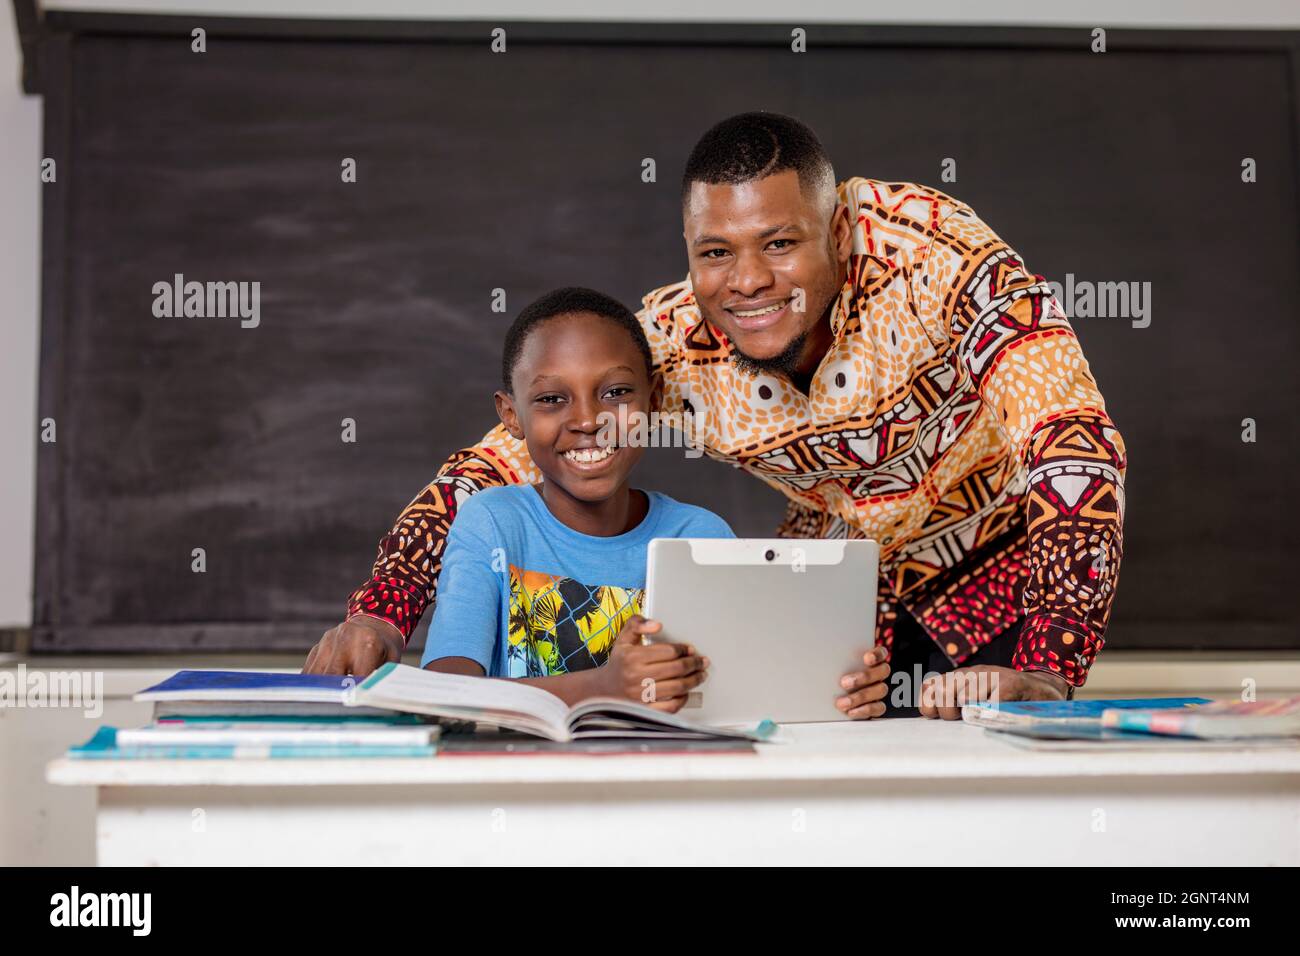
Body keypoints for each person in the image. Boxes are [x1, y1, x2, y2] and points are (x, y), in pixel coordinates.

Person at [304, 112, 1127, 721]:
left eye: (779, 244)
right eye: (715, 252)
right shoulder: (673, 345)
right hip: (842, 611)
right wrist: (382, 606)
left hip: (1008, 579)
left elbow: (1075, 446)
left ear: (836, 229)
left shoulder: (941, 263)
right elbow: (502, 458)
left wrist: (1048, 665)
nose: (748, 283)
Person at [417, 286, 731, 710]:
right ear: (512, 416)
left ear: (654, 400)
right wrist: (602, 687)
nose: (587, 420)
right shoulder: (492, 524)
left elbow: (738, 692)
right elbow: (442, 695)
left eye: (616, 393)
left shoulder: (699, 537)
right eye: (551, 399)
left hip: (664, 770)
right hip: (517, 773)